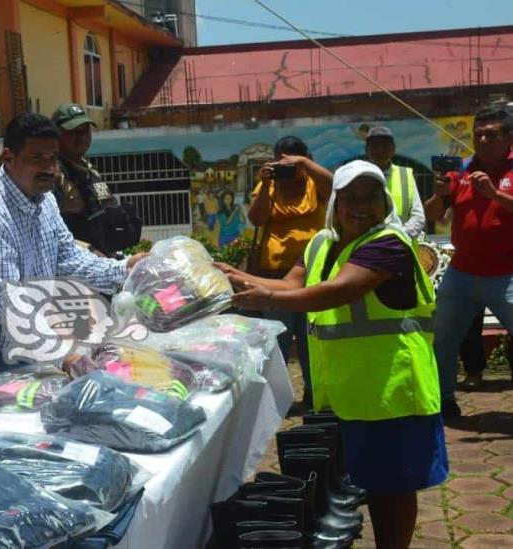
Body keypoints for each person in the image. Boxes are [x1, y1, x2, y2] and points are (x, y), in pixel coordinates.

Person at [218, 160, 448, 549]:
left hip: (394, 389)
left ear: (385, 200)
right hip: (356, 392)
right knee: (374, 483)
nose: (362, 206)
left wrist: (268, 298)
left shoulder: (388, 243)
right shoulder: (321, 242)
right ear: (335, 204)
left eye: (371, 196)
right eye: (351, 198)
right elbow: (290, 282)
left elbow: (340, 290)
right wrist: (230, 274)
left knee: (392, 489)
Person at [0, 113, 146, 377]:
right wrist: (66, 356)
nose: (49, 168)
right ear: (8, 158)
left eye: (53, 158)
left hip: (42, 349)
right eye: (37, 158)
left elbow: (69, 257)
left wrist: (124, 268)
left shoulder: (45, 199)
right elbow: (10, 306)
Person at [424, 105, 513, 418]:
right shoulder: (459, 170)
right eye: (479, 135)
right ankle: (444, 400)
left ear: (508, 137)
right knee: (443, 338)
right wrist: (439, 194)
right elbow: (432, 215)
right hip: (462, 273)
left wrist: (493, 194)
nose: (484, 140)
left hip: (507, 273)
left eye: (492, 134)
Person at [246, 135, 332, 407]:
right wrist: (266, 184)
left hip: (314, 271)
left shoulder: (312, 182)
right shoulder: (267, 184)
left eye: (291, 162)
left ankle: (315, 393)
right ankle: (276, 399)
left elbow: (336, 187)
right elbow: (256, 219)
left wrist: (305, 165)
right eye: (281, 160)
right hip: (275, 273)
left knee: (311, 335)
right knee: (278, 336)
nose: (286, 168)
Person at [51, 103, 141, 256]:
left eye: (86, 130)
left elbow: (105, 212)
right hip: (74, 264)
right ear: (56, 134)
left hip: (103, 260)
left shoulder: (89, 171)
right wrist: (87, 250)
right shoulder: (55, 174)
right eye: (74, 132)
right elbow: (51, 231)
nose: (82, 137)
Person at [365, 126, 426, 239]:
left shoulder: (405, 175)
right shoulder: (359, 177)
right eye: (374, 146)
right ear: (366, 150)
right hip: (367, 246)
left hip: (400, 248)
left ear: (393, 149)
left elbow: (418, 216)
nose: (380, 150)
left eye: (385, 145)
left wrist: (399, 237)